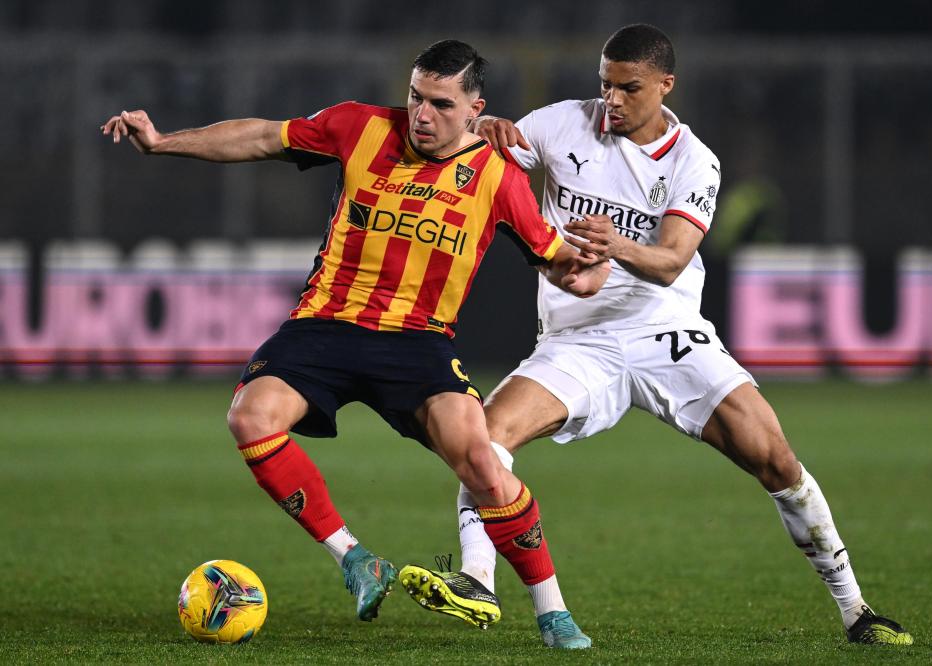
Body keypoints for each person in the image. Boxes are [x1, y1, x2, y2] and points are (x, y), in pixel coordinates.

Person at [400, 24, 913, 649]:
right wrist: (485, 129)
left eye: (629, 88)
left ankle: (856, 610)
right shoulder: (562, 123)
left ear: (666, 84)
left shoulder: (695, 160)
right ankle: (477, 580)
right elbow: (474, 157)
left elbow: (671, 261)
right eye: (605, 85)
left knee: (776, 460)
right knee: (483, 437)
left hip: (666, 329)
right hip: (579, 339)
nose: (612, 100)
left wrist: (615, 243)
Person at [101, 40, 608, 626]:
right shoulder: (358, 126)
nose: (421, 114)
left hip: (417, 341)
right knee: (250, 417)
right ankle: (355, 558)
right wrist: (164, 142)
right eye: (416, 97)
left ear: (476, 109)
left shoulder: (498, 176)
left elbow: (558, 261)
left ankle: (553, 612)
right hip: (325, 325)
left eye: (441, 104)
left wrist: (587, 272)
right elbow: (262, 136)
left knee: (481, 460)